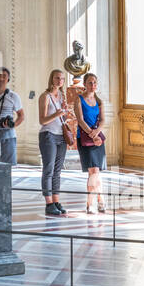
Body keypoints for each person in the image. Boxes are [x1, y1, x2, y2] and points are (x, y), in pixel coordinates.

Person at [74, 72, 107, 214]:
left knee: (95, 172)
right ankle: (95, 202)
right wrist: (91, 134)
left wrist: (97, 133)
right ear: (85, 84)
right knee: (93, 171)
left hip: (97, 138)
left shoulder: (99, 101)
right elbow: (80, 120)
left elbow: (103, 120)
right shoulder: (79, 99)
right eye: (90, 83)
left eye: (94, 83)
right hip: (84, 137)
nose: (93, 85)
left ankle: (94, 202)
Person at [38, 68, 70, 217]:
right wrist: (56, 114)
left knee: (58, 170)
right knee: (48, 169)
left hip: (61, 136)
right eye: (57, 78)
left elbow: (62, 117)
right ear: (52, 79)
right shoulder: (45, 96)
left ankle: (56, 201)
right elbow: (42, 120)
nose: (60, 81)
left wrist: (65, 114)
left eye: (62, 79)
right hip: (48, 135)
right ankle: (48, 203)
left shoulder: (62, 96)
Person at [0, 67, 25, 166]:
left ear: (8, 79)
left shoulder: (13, 96)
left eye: (4, 76)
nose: (1, 79)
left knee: (7, 166)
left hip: (7, 136)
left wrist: (12, 124)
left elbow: (21, 116)